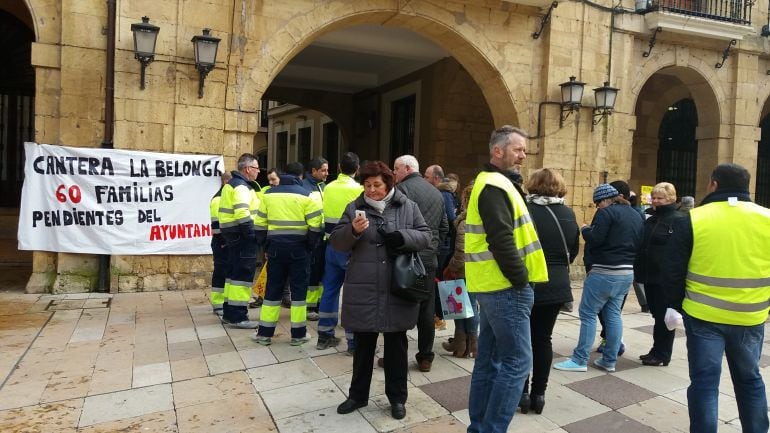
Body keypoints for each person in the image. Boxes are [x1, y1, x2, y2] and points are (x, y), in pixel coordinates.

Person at [660, 163, 770, 433]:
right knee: (749, 380)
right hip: (750, 314)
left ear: (714, 185)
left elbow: (672, 270)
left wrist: (673, 305)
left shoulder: (694, 218)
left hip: (703, 315)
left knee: (704, 382)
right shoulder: (767, 218)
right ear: (747, 185)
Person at [332, 161, 431, 420]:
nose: (372, 190)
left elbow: (426, 236)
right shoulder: (354, 207)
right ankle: (357, 396)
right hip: (364, 286)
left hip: (396, 286)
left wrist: (403, 237)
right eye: (367, 185)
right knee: (363, 346)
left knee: (396, 347)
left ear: (389, 183)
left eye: (377, 185)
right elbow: (337, 241)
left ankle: (397, 399)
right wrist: (353, 231)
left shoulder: (407, 207)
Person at [465, 125, 548, 433]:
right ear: (497, 151)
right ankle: (490, 429)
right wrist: (521, 279)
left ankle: (479, 427)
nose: (523, 156)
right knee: (517, 362)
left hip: (492, 286)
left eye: (525, 150)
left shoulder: (495, 183)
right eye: (518, 150)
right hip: (506, 288)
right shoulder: (495, 186)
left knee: (490, 360)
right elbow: (501, 240)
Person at [554, 183, 642, 373]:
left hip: (604, 271)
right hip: (627, 272)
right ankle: (609, 360)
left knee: (588, 314)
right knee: (613, 315)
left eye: (597, 203)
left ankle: (579, 359)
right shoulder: (636, 214)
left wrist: (586, 230)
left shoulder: (606, 213)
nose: (597, 207)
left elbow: (596, 238)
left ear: (604, 200)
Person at [519, 168, 579, 415]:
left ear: (533, 184)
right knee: (543, 339)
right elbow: (573, 251)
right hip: (557, 283)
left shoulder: (526, 211)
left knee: (522, 340)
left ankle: (521, 393)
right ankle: (539, 394)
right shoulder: (568, 213)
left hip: (529, 281)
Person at [253, 162, 323, 346]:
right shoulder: (307, 196)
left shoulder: (268, 195)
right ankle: (298, 335)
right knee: (299, 291)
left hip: (275, 249)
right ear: (300, 177)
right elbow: (316, 226)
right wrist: (309, 246)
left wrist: (266, 247)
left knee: (272, 290)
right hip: (299, 250)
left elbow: (259, 226)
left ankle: (264, 334)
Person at [390, 155, 448, 372]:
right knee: (426, 310)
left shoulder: (401, 190)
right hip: (428, 258)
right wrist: (433, 248)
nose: (394, 173)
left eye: (396, 169)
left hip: (405, 258)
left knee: (399, 307)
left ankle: (395, 357)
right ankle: (425, 357)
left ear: (406, 168)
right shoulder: (436, 192)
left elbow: (394, 224)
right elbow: (444, 227)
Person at [316, 152, 363, 352]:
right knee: (352, 294)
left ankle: (325, 335)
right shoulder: (359, 190)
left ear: (339, 167)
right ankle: (353, 342)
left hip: (331, 245)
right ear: (357, 169)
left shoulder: (328, 188)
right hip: (352, 248)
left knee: (330, 290)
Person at [634, 182, 685, 367]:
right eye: (654, 197)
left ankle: (663, 354)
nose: (655, 200)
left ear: (670, 198)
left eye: (660, 198)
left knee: (665, 316)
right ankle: (656, 350)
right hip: (650, 275)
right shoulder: (651, 219)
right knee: (657, 315)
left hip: (666, 277)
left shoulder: (678, 220)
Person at [218, 154, 261, 328]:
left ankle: (229, 312)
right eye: (257, 168)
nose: (259, 171)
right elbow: (242, 213)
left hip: (232, 236)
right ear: (248, 169)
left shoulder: (230, 185)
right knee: (242, 276)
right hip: (242, 237)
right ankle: (238, 316)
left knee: (233, 275)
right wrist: (252, 235)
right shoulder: (242, 187)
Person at [440, 184, 477, 358]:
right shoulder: (481, 219)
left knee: (465, 308)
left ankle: (468, 344)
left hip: (464, 270)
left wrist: (451, 268)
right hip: (476, 269)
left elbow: (461, 251)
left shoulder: (467, 221)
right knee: (463, 307)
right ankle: (461, 343)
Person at [425, 163, 456, 329]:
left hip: (443, 246)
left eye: (427, 177)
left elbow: (450, 219)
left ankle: (439, 316)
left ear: (436, 178)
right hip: (443, 244)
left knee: (439, 281)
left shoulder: (443, 194)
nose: (425, 180)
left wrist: (441, 240)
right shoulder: (442, 192)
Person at [302, 157, 329, 321]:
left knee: (321, 272)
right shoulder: (305, 188)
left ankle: (318, 303)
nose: (327, 173)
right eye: (324, 170)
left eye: (327, 170)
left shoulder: (325, 187)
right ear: (314, 171)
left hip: (324, 237)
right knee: (312, 273)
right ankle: (309, 306)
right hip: (311, 237)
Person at [209, 171, 232, 316]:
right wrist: (224, 241)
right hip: (221, 241)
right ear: (226, 182)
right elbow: (217, 224)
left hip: (226, 241)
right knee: (220, 272)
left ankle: (226, 301)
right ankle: (218, 303)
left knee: (227, 272)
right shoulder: (218, 199)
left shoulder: (225, 197)